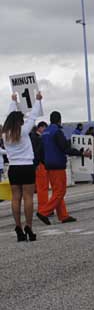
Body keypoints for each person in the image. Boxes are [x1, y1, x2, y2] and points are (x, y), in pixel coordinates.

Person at [37, 111, 91, 225]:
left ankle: (63, 216)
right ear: (59, 120)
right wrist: (81, 154)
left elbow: (40, 151)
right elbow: (65, 148)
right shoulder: (57, 132)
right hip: (58, 165)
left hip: (49, 166)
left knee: (57, 191)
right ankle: (43, 212)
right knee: (60, 191)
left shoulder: (45, 133)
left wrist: (43, 162)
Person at [2, 92, 43, 241]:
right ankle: (29, 227)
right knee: (28, 198)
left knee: (15, 198)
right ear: (19, 121)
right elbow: (33, 116)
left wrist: (13, 102)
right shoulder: (24, 131)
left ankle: (18, 227)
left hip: (13, 168)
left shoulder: (5, 134)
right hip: (26, 167)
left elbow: (10, 115)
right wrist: (38, 101)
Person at [30, 121, 49, 213]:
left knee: (42, 188)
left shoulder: (35, 137)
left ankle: (45, 207)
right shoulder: (35, 138)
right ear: (40, 128)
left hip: (40, 164)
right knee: (42, 188)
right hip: (40, 164)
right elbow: (37, 152)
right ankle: (43, 208)